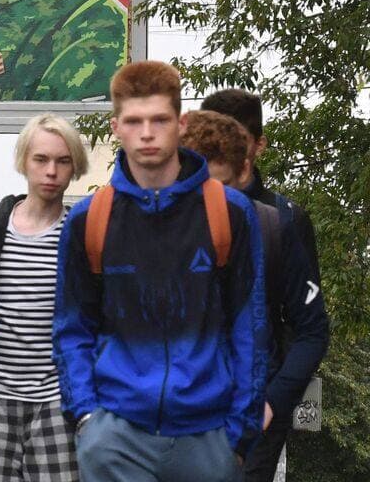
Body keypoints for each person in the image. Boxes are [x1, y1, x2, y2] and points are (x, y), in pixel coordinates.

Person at [52, 60, 267, 482]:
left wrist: (239, 434)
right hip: (116, 434)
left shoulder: (229, 212)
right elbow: (71, 326)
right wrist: (86, 419)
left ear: (181, 123)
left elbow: (251, 326)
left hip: (209, 436)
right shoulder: (89, 218)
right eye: (134, 121)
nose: (147, 133)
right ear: (115, 126)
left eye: (159, 119)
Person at [198, 91, 329, 482]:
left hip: (255, 410)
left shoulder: (282, 222)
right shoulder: (170, 214)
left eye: (235, 140)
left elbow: (312, 328)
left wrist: (273, 403)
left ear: (257, 145)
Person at [0, 113, 88, 481]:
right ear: (24, 162)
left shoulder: (82, 236)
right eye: (41, 159)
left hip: (57, 402)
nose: (52, 171)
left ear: (74, 166)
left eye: (63, 161)